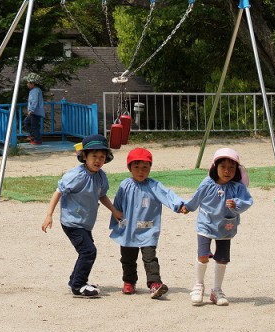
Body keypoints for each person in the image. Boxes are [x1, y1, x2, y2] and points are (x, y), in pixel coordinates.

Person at [42, 134, 123, 298]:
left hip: (85, 222)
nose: (98, 160)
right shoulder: (75, 176)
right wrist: (49, 215)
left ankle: (75, 281)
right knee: (88, 251)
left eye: (102, 157)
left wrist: (114, 210)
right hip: (71, 222)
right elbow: (58, 192)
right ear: (84, 156)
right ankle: (78, 285)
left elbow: (101, 195)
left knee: (86, 251)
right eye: (94, 156)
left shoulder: (101, 176)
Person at [109, 147, 188, 298]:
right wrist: (116, 220)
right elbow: (117, 205)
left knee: (150, 257)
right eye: (136, 167)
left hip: (148, 230)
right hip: (128, 230)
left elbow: (168, 195)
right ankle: (129, 282)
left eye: (145, 167)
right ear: (129, 168)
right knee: (127, 258)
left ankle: (154, 284)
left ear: (150, 168)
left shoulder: (154, 186)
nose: (141, 171)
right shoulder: (125, 185)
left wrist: (180, 206)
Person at [183, 147, 254, 306]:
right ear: (215, 167)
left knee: (222, 258)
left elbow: (247, 201)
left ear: (236, 169)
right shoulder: (208, 183)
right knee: (203, 255)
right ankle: (198, 286)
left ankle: (216, 290)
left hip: (226, 226)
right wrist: (188, 207)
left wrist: (236, 204)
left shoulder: (237, 187)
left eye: (231, 167)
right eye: (223, 167)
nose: (227, 171)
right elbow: (197, 197)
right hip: (206, 224)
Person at [25, 74, 45, 145]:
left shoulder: (35, 91)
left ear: (32, 83)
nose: (27, 84)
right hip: (34, 112)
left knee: (34, 126)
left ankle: (37, 140)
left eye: (28, 83)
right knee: (27, 122)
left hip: (35, 112)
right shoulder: (34, 90)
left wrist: (31, 110)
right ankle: (33, 136)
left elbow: (34, 101)